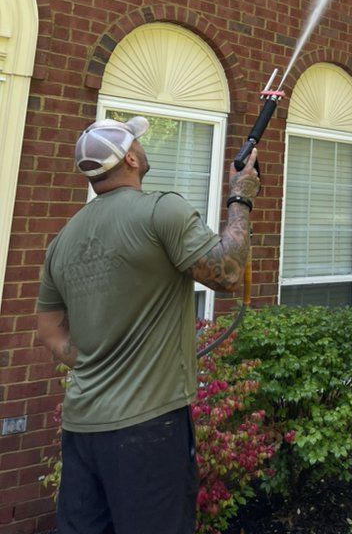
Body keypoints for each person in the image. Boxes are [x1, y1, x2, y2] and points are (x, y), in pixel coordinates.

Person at [36, 115, 259, 534]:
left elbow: (49, 329)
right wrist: (240, 199)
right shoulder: (161, 210)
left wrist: (95, 363)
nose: (142, 146)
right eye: (137, 142)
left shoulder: (62, 240)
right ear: (132, 160)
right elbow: (227, 272)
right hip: (149, 430)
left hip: (82, 430)